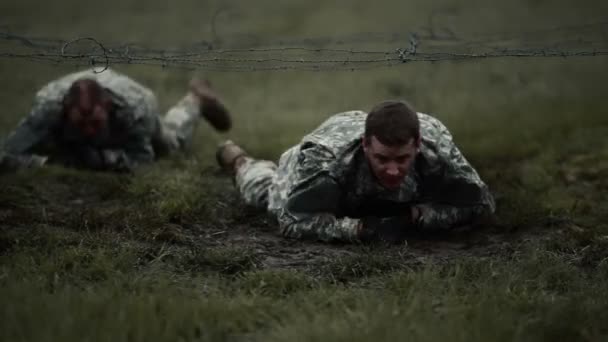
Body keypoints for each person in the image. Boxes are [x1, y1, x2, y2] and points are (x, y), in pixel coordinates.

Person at [216, 100, 495, 243]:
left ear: (418, 144)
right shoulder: (326, 162)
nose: (394, 170)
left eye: (403, 158)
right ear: (365, 145)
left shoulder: (438, 148)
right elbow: (292, 221)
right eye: (383, 159)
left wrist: (418, 216)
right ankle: (240, 161)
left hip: (392, 197)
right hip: (310, 171)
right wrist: (359, 229)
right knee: (264, 195)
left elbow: (481, 204)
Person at [0, 68, 231, 173]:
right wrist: (46, 164)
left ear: (107, 108)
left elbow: (142, 161)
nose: (89, 131)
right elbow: (7, 153)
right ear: (65, 110)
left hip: (129, 104)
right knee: (47, 144)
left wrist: (105, 159)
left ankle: (195, 101)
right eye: (81, 123)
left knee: (171, 144)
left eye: (95, 123)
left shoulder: (136, 109)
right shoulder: (48, 108)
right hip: (66, 116)